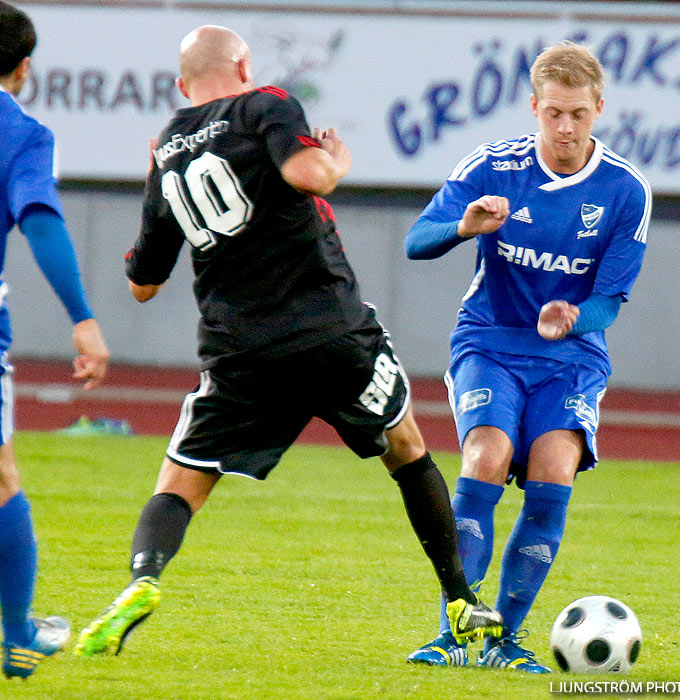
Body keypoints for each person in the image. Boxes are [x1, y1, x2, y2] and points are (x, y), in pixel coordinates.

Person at [75, 24, 501, 658]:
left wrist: (154, 194)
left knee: (179, 483)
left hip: (240, 350)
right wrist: (337, 160)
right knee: (408, 451)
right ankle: (462, 600)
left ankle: (142, 580)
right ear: (244, 65)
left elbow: (143, 283)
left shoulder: (167, 148)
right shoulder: (267, 103)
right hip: (331, 330)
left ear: (181, 86)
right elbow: (311, 176)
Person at [404, 41, 651, 672]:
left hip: (571, 354)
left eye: (578, 114)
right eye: (553, 114)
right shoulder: (492, 168)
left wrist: (574, 316)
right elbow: (416, 241)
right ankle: (454, 630)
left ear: (599, 108)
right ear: (533, 107)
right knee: (486, 455)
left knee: (552, 476)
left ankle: (506, 641)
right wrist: (465, 227)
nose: (565, 128)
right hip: (489, 339)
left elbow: (610, 300)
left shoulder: (625, 190)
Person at [0, 1, 110, 680]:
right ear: (24, 67)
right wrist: (83, 317)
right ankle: (16, 635)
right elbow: (40, 220)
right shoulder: (21, 132)